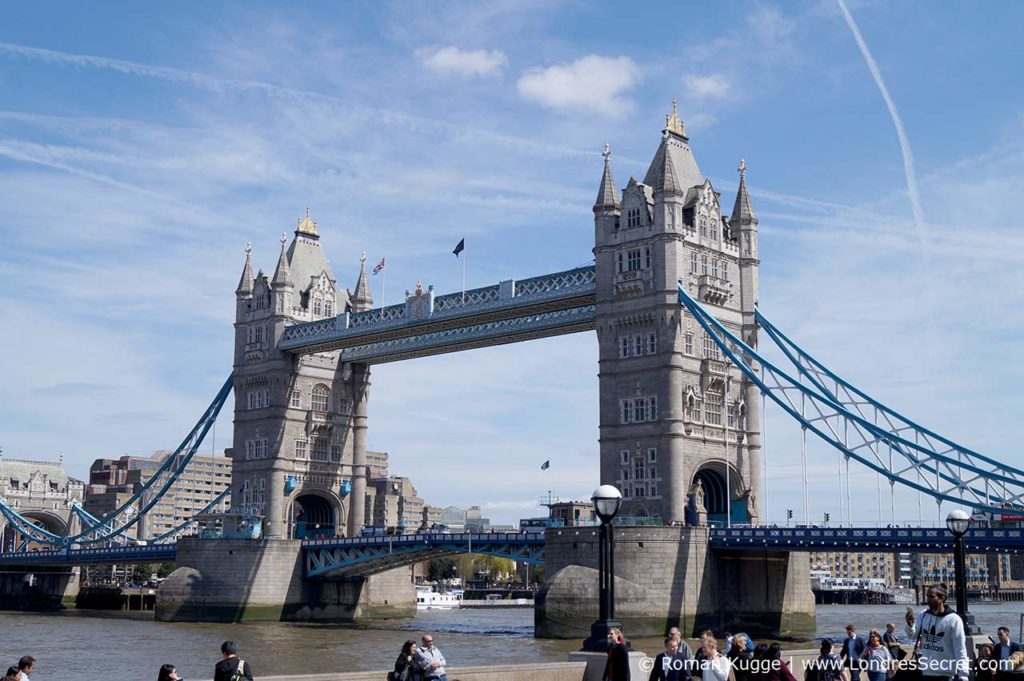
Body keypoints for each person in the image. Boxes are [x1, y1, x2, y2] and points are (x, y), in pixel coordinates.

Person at [904, 584, 969, 681]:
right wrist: (909, 625)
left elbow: (960, 649)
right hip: (925, 672)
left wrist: (963, 675)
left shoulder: (954, 619)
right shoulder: (924, 614)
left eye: (931, 596)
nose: (928, 600)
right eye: (927, 596)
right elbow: (912, 636)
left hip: (946, 674)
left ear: (942, 598)